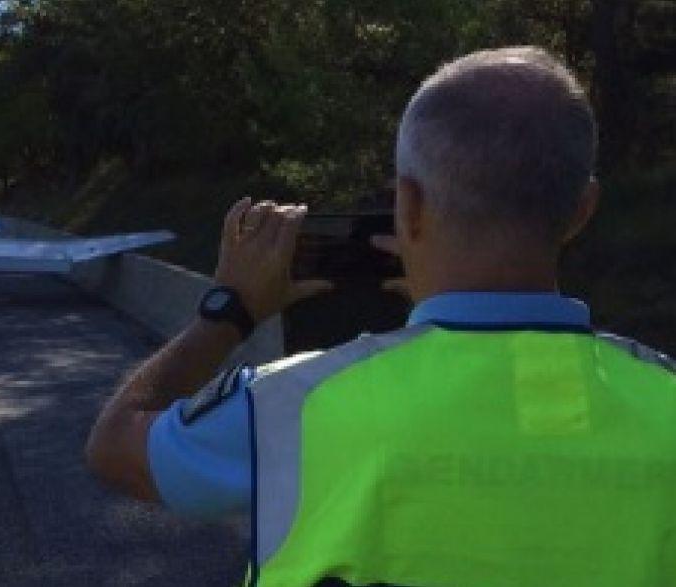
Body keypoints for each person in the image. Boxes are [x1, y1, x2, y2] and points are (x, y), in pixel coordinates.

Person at [85, 46, 676, 586]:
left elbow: (114, 444)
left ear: (408, 205)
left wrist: (227, 311)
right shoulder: (664, 399)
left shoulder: (290, 406)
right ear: (582, 211)